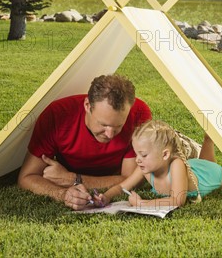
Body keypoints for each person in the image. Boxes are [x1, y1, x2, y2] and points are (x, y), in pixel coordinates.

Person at [17, 74, 152, 210]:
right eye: (103, 124)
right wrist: (64, 194)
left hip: (70, 173)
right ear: (87, 105)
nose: (109, 134)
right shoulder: (57, 115)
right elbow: (27, 177)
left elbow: (130, 179)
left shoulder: (138, 112)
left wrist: (72, 179)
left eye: (118, 126)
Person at [93, 120, 222, 209]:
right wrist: (106, 196)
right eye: (137, 154)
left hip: (210, 175)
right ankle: (209, 140)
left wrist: (142, 204)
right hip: (197, 166)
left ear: (165, 154)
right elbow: (122, 186)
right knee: (205, 163)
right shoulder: (146, 168)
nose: (137, 159)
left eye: (143, 155)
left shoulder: (177, 165)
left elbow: (177, 200)